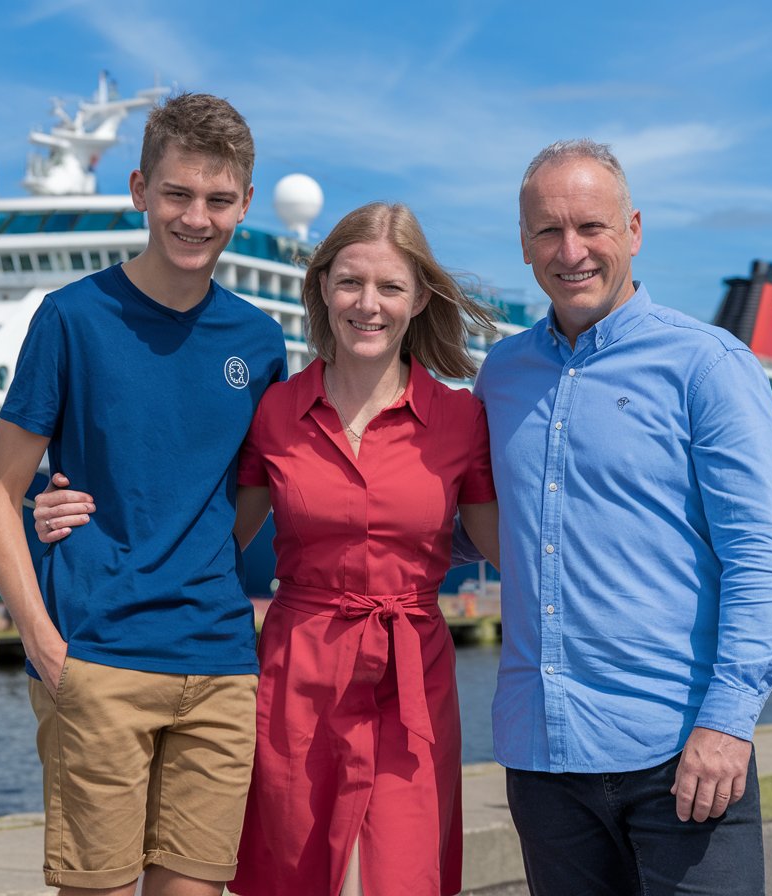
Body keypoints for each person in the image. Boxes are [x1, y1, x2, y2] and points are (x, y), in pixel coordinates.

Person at [35, 201, 502, 895]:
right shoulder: (276, 412)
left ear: (420, 299)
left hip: (411, 674)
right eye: (349, 282)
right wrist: (67, 509)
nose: (367, 304)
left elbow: (515, 549)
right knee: (284, 877)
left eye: (390, 287)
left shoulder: (462, 419)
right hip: (297, 675)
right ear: (321, 288)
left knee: (410, 877)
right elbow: (212, 533)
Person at [0, 93, 287, 896]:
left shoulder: (260, 341)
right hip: (97, 657)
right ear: (141, 188)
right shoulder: (72, 319)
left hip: (219, 665)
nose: (196, 217)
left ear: (246, 204)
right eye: (178, 194)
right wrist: (45, 646)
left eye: (218, 200)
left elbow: (244, 493)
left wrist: (196, 549)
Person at [469, 139, 772, 895]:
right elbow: (470, 521)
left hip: (680, 755)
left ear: (634, 230)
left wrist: (727, 724)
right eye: (548, 231)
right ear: (524, 244)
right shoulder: (504, 373)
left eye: (592, 227)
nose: (571, 250)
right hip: (543, 758)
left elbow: (761, 557)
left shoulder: (706, 364)